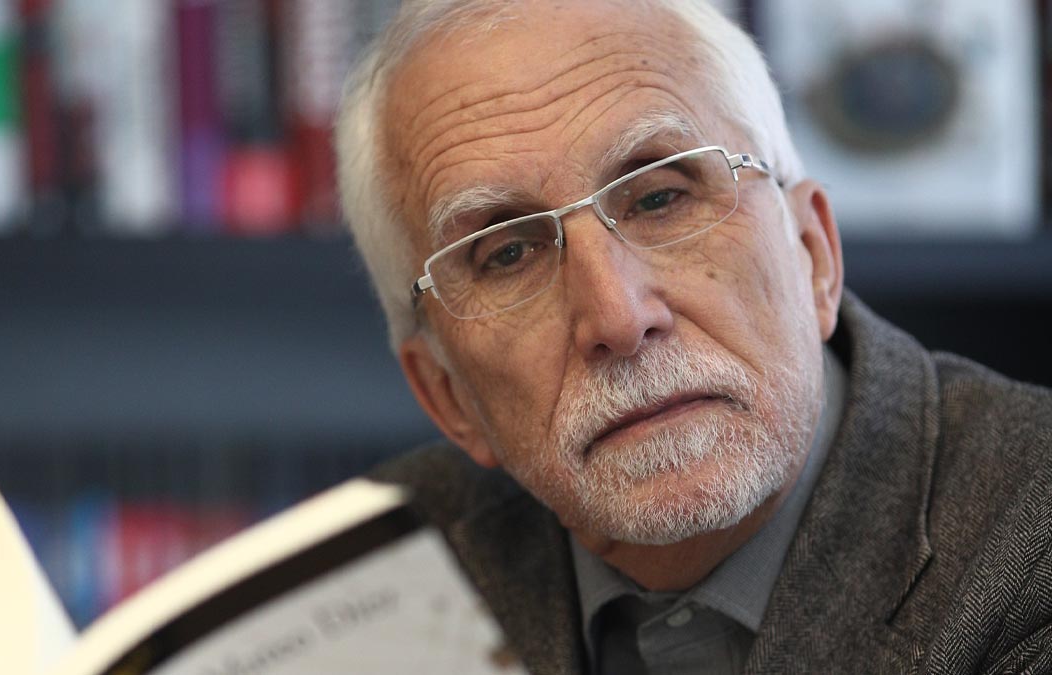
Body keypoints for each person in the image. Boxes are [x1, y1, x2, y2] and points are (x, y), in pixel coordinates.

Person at [334, 1, 1052, 673]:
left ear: (813, 256)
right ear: (446, 393)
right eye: (509, 254)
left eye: (659, 197)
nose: (617, 318)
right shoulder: (358, 589)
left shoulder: (1030, 540)